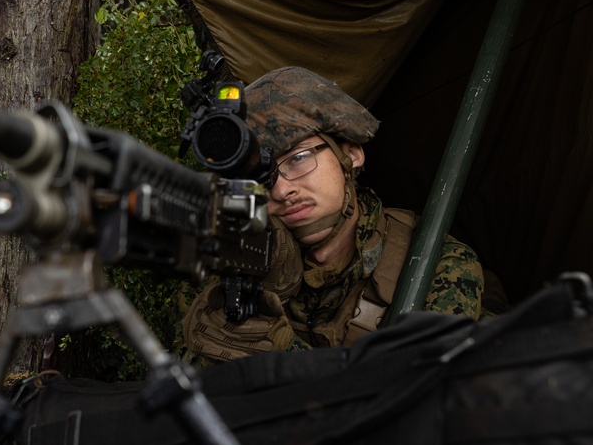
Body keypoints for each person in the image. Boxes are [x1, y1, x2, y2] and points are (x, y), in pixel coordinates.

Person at [183, 66, 484, 362]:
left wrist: (281, 347)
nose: (281, 190)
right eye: (260, 177)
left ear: (350, 154)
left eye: (298, 158)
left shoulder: (436, 265)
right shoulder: (231, 265)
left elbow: (410, 391)